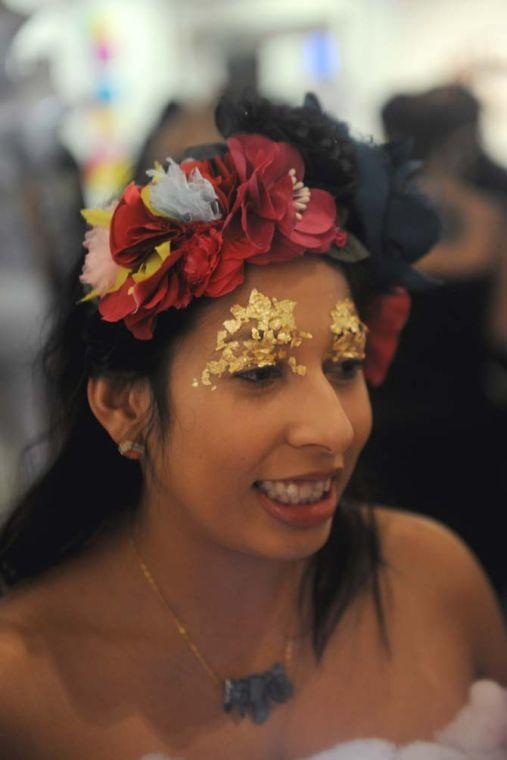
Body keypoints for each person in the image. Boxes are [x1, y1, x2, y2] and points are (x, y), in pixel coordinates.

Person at [0, 94, 505, 760]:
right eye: (259, 372)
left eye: (344, 365)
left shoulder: (433, 579)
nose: (333, 427)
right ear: (124, 406)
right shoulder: (22, 680)